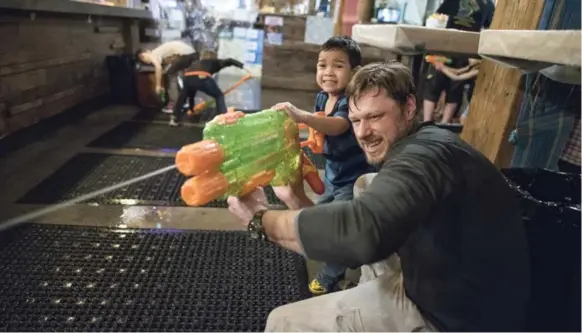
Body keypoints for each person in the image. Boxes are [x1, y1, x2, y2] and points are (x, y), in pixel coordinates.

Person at [227, 61, 530, 332]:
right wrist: (293, 196)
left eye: (375, 117)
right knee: (367, 185)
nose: (362, 132)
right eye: (356, 120)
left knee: (284, 322)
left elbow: (361, 231)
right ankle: (369, 290)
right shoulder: (429, 141)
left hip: (454, 319)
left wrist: (260, 220)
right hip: (452, 285)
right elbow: (348, 240)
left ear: (410, 107)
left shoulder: (423, 156)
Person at [271, 36, 375, 296]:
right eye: (322, 65)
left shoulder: (351, 100)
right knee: (321, 216)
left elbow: (338, 125)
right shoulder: (322, 97)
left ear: (355, 72)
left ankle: (329, 276)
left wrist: (301, 115)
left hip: (353, 179)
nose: (328, 72)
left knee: (340, 229)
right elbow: (319, 124)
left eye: (338, 66)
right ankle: (346, 252)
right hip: (331, 173)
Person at [422, 0, 495, 124]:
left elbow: (491, 27)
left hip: (466, 51)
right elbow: (438, 19)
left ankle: (445, 124)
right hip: (445, 47)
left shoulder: (486, 4)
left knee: (455, 88)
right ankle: (426, 122)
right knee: (434, 83)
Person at [170, 50, 244, 126]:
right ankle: (223, 119)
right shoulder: (214, 61)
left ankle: (175, 118)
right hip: (202, 76)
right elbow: (229, 60)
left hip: (187, 77)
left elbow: (191, 94)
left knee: (183, 97)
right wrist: (242, 66)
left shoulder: (195, 63)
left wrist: (192, 109)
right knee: (219, 96)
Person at [135, 40, 198, 113]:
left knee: (171, 76)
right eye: (142, 60)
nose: (145, 60)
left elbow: (158, 68)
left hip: (184, 54)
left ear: (147, 52)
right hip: (192, 54)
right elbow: (166, 67)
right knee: (181, 77)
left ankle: (174, 104)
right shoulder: (161, 54)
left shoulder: (153, 54)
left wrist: (158, 85)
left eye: (143, 57)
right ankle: (184, 102)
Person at [433, 58, 482, 124]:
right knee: (463, 118)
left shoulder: (477, 71)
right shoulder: (471, 67)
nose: (469, 59)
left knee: (463, 119)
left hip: (478, 100)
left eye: (472, 58)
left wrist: (442, 69)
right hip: (472, 99)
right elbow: (457, 71)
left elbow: (456, 78)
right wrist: (442, 66)